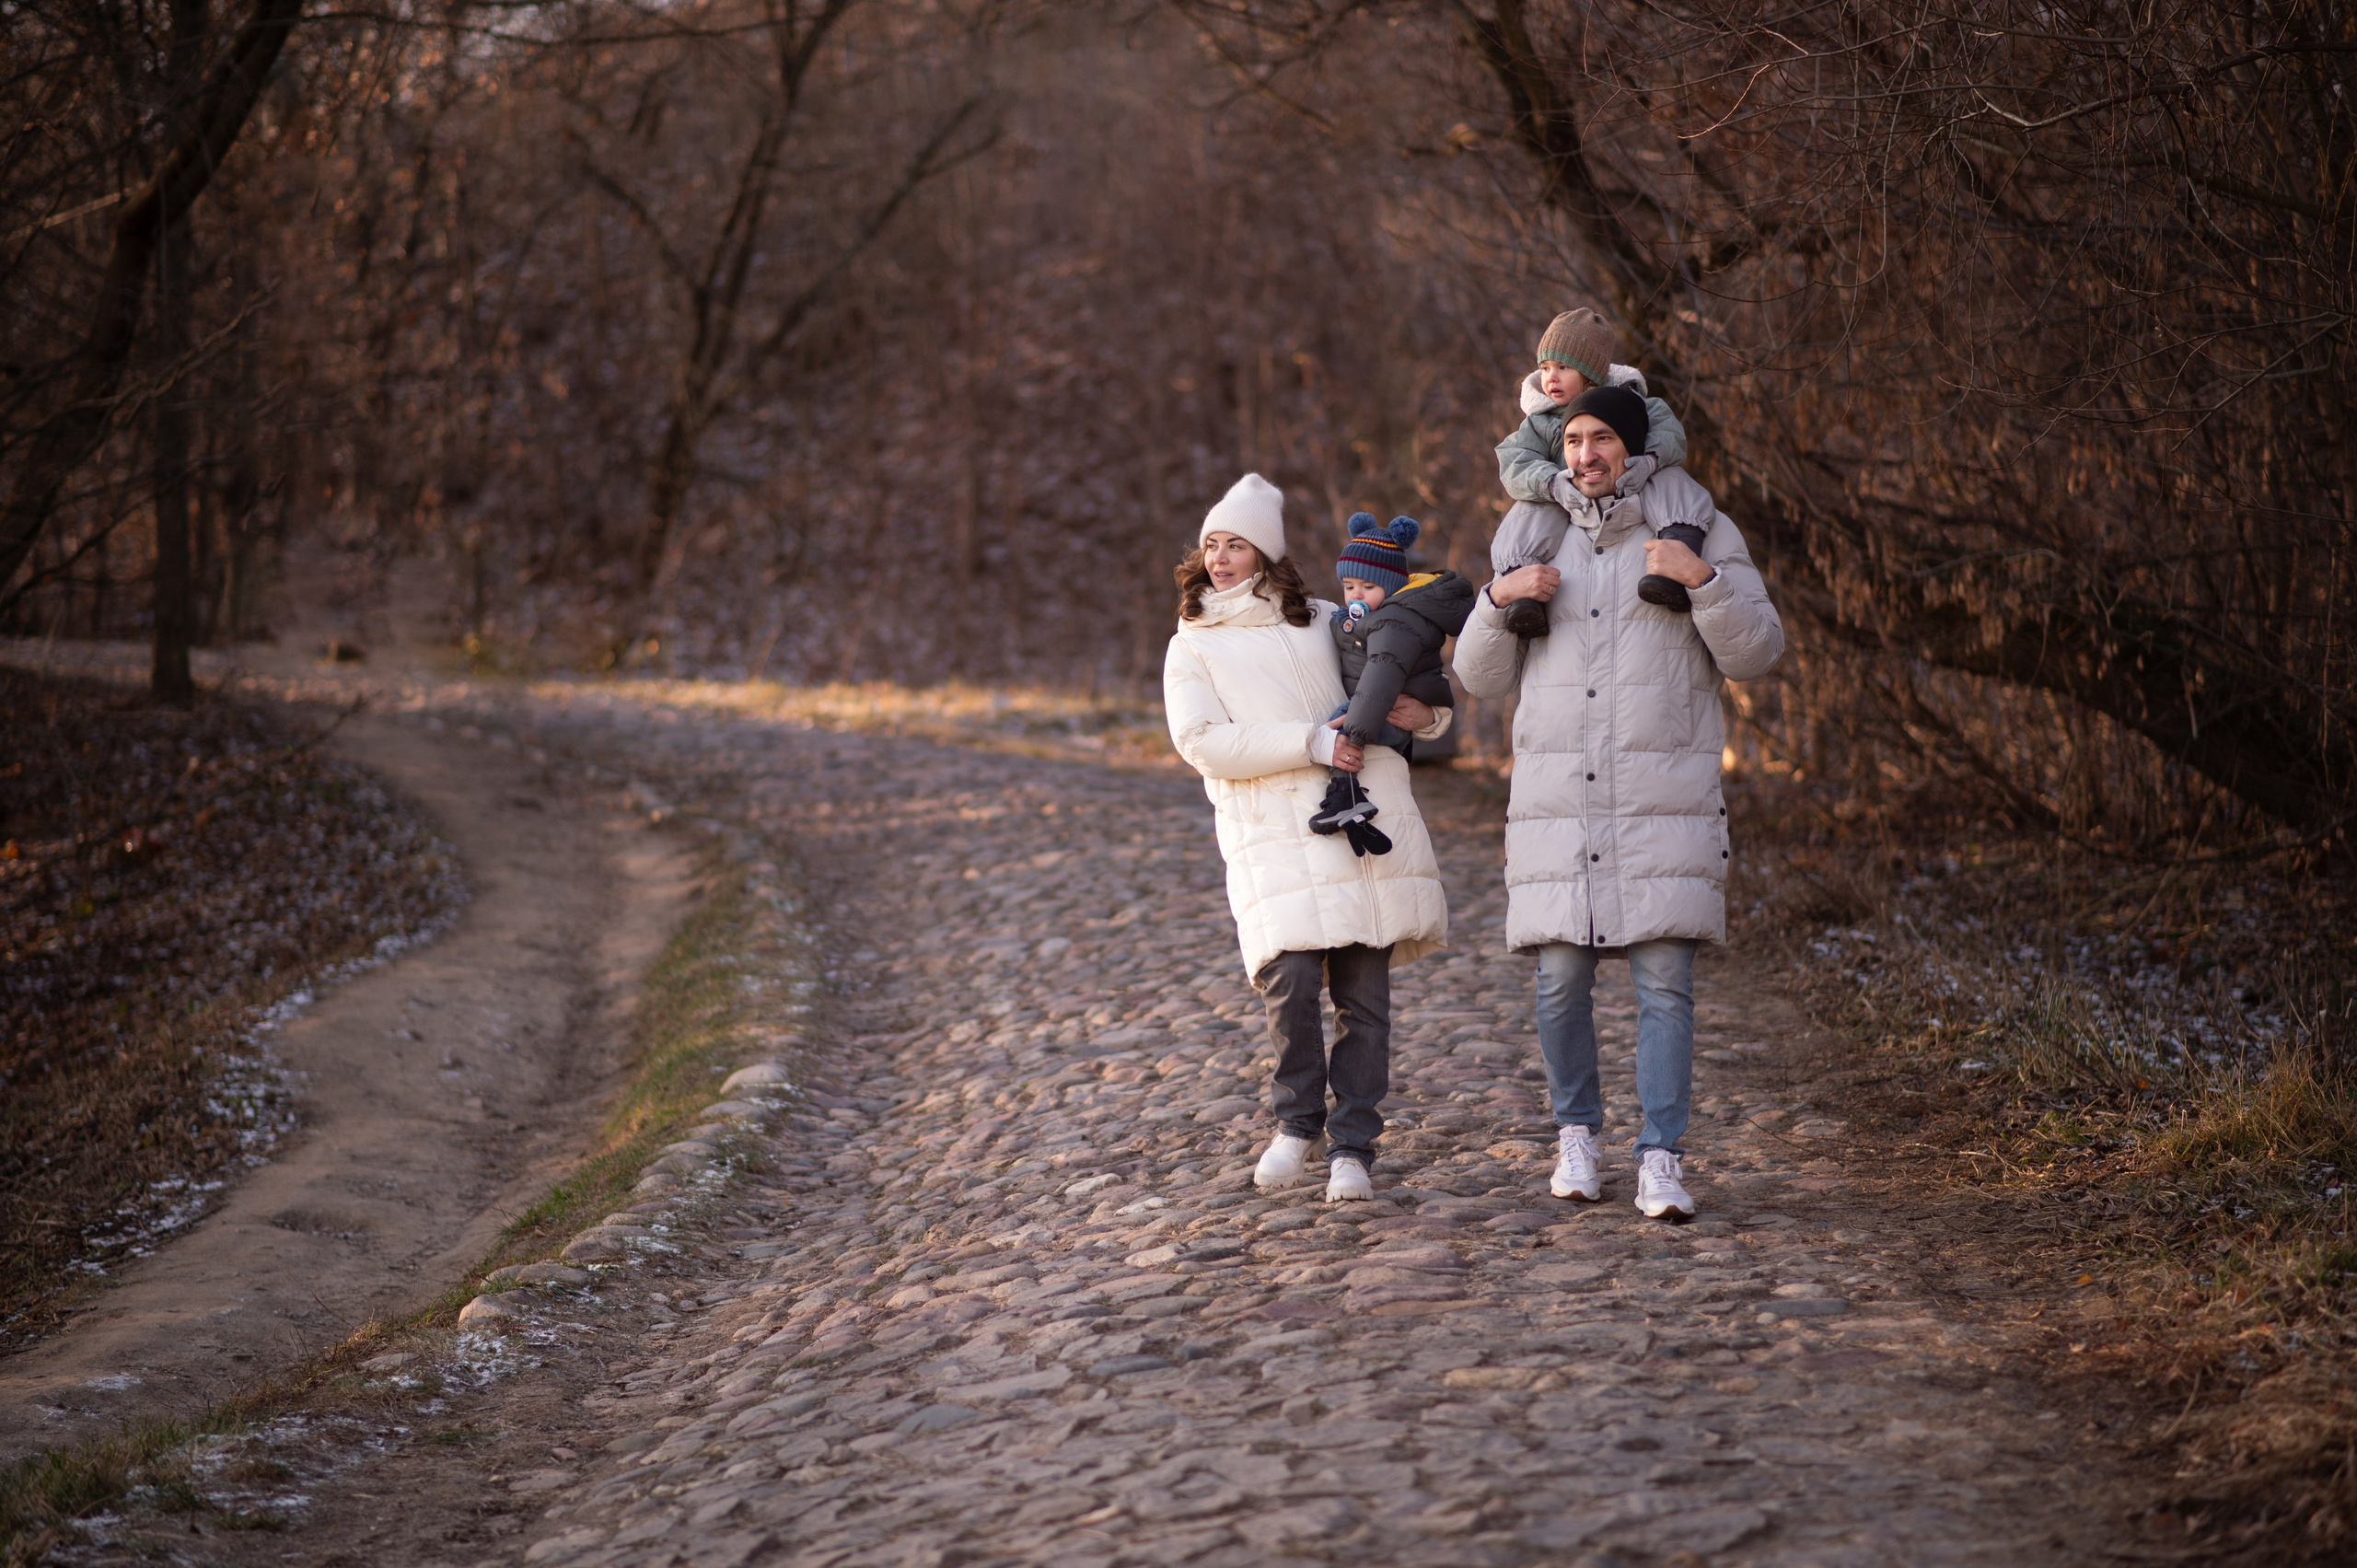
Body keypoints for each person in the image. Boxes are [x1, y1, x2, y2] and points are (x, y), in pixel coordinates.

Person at [1453, 386, 1784, 1222]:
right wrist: (1496, 600)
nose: (1585, 455)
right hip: (1558, 808)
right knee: (1559, 984)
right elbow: (1479, 679)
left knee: (1665, 985)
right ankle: (1578, 1136)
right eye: (1572, 440)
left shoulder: (1697, 527)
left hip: (1661, 806)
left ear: (1632, 448)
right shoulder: (1534, 534)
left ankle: (1661, 1156)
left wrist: (1702, 580)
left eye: (1601, 438)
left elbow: (1757, 651)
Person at [1164, 474, 1452, 1202]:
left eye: (1235, 544)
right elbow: (1200, 740)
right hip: (1272, 832)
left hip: (1359, 819)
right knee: (1287, 979)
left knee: (1364, 995)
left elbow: (1408, 671)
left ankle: (1353, 1144)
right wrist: (1309, 741)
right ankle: (1297, 1122)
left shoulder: (1327, 617)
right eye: (1211, 544)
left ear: (1265, 553)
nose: (1219, 558)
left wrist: (1428, 717)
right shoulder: (1192, 644)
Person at [1492, 308, 1692, 637]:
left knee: (1671, 482)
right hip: (1564, 499)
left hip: (1626, 485)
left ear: (1590, 374)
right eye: (1545, 367)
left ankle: (1679, 551)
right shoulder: (1541, 420)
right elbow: (1514, 459)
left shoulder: (1630, 402)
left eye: (1563, 367)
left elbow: (1670, 431)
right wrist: (1551, 483)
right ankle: (1524, 594)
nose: (1551, 377)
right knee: (1528, 513)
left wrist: (1650, 461)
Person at [1308, 513, 1475, 851]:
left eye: (1368, 587)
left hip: (1389, 716)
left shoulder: (1395, 622)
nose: (1356, 595)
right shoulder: (1373, 616)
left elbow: (1381, 678)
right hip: (1380, 711)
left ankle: (1344, 794)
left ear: (1393, 586)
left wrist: (1353, 733)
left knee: (1340, 722)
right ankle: (1355, 818)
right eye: (1349, 587)